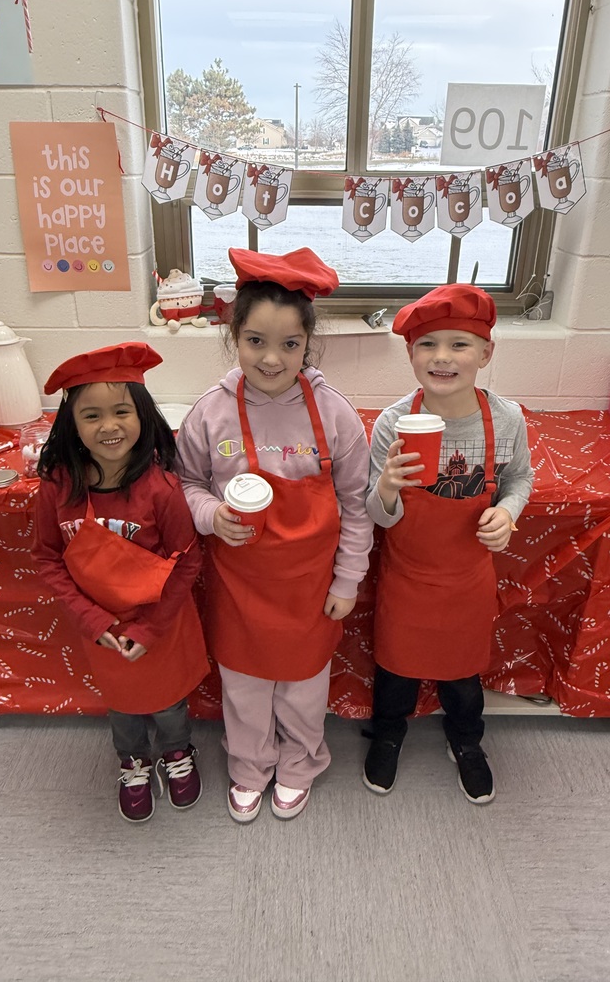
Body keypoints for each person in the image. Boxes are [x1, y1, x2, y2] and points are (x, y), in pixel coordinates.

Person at [176, 248, 373, 822]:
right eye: (255, 340)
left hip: (312, 587)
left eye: (290, 344)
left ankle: (299, 764)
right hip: (240, 584)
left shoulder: (334, 414)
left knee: (304, 689)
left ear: (307, 345)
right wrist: (213, 516)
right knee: (244, 688)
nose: (271, 358)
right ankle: (249, 767)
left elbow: (356, 505)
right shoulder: (209, 414)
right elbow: (186, 485)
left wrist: (348, 579)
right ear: (233, 335)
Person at [364, 284, 533, 804]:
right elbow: (377, 516)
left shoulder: (505, 420)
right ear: (411, 354)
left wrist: (507, 511)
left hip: (467, 579)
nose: (442, 357)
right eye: (427, 344)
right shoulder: (394, 423)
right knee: (394, 669)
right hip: (407, 576)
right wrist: (388, 486)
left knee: (463, 674)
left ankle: (466, 741)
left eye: (459, 344)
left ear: (486, 353)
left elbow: (520, 479)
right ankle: (388, 733)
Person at [31, 342, 209, 823]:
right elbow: (48, 559)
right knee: (123, 708)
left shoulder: (162, 490)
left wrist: (149, 629)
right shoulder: (56, 488)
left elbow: (187, 564)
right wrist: (91, 618)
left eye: (121, 411)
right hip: (102, 630)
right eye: (91, 415)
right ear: (71, 423)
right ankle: (132, 762)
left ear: (143, 415)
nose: (108, 426)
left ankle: (176, 753)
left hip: (161, 625)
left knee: (170, 704)